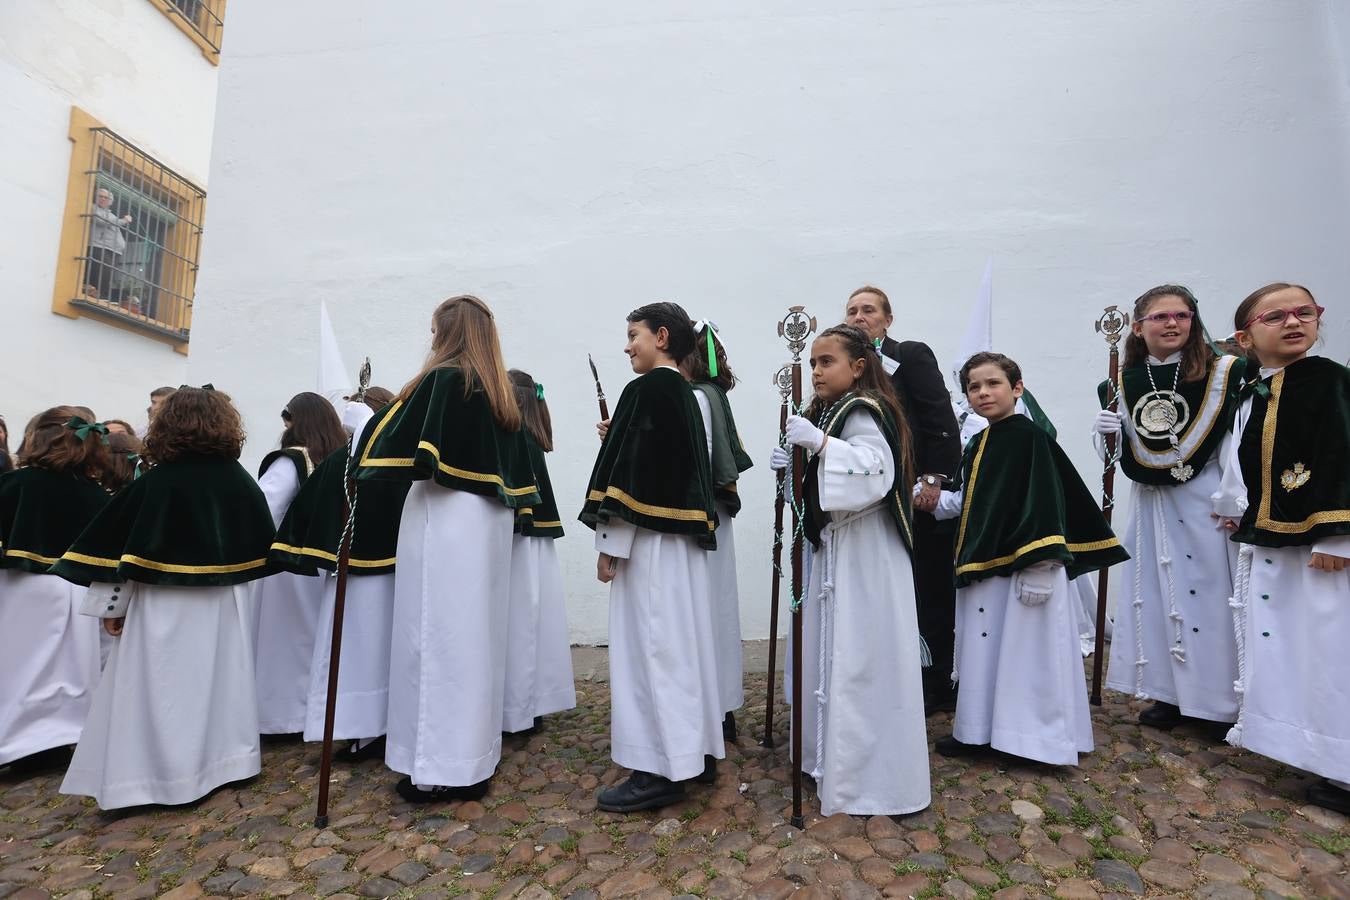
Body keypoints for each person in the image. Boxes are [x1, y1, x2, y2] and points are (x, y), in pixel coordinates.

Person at [53, 387, 276, 809]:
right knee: (219, 683)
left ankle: (153, 778)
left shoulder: (157, 483)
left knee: (162, 689)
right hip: (225, 608)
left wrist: (112, 606)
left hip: (161, 608)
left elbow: (114, 553)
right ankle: (226, 763)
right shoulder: (239, 482)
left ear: (166, 426)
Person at [355, 295, 539, 802]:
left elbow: (388, 446)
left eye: (435, 330)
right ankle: (471, 757)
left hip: (445, 516)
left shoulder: (443, 380)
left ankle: (440, 768)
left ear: (447, 332)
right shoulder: (502, 395)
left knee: (433, 639)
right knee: (475, 639)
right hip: (488, 523)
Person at [768, 323, 931, 815]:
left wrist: (820, 446)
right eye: (813, 362)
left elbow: (875, 471)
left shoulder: (866, 410)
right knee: (834, 652)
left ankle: (870, 775)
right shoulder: (830, 411)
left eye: (826, 362)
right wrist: (793, 464)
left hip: (867, 551)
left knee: (862, 657)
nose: (816, 371)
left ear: (858, 367)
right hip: (840, 547)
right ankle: (828, 758)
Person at [934, 352, 1128, 764]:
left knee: (1027, 654)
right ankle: (979, 732)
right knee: (984, 652)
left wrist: (1042, 566)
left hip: (1024, 568)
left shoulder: (1028, 437)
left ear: (1017, 388)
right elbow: (973, 501)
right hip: (986, 566)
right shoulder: (983, 441)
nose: (983, 393)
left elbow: (1043, 500)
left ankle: (1031, 740)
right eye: (974, 387)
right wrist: (933, 502)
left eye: (993, 384)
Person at [1214, 283, 1350, 815]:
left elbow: (1341, 453)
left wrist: (1338, 532)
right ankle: (1311, 747)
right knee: (1297, 647)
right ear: (1246, 337)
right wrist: (1234, 505)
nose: (1294, 323)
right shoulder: (1262, 389)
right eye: (1276, 316)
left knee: (1330, 648)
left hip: (1320, 540)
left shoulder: (1329, 382)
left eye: (1304, 313)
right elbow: (1243, 454)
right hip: (1278, 536)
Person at [583, 301, 722, 812]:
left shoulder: (646, 389)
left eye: (633, 334)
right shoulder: (686, 394)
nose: (627, 345)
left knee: (653, 650)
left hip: (647, 545)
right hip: (678, 545)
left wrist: (609, 545)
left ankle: (660, 767)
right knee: (683, 647)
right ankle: (696, 750)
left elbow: (633, 472)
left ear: (662, 336)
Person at [1094, 285, 1246, 730]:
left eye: (1181, 315)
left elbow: (1237, 438)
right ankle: (1168, 694)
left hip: (1206, 500)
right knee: (1154, 595)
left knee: (1210, 597)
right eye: (1160, 317)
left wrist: (1231, 496)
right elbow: (1120, 456)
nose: (1172, 324)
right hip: (1153, 503)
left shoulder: (1224, 373)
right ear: (1138, 327)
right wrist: (1105, 430)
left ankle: (1217, 704)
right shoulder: (1121, 381)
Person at [270, 400, 408, 762]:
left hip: (361, 575)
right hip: (393, 572)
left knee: (359, 654)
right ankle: (375, 728)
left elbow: (307, 511)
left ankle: (363, 730)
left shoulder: (348, 459)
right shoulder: (394, 455)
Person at [845, 285, 962, 713]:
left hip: (914, 497)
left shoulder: (909, 356)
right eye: (853, 310)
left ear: (887, 319)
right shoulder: (845, 367)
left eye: (869, 310)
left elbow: (940, 421)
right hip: (869, 500)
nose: (860, 317)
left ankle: (934, 682)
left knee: (927, 588)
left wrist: (932, 479)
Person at [0, 409, 110, 771]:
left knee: (19, 667)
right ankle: (54, 738)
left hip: (19, 588)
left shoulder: (17, 484)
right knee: (68, 671)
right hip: (75, 593)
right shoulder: (95, 495)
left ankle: (17, 739)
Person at [252, 392, 347, 735]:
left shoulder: (290, 460)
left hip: (286, 567)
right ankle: (314, 711)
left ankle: (281, 716)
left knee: (283, 639)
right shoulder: (338, 460)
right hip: (322, 562)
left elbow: (264, 509)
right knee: (316, 636)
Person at [683, 321, 754, 741]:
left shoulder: (695, 397)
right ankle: (722, 705)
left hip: (697, 516)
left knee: (702, 610)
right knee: (719, 607)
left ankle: (709, 707)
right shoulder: (713, 395)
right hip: (714, 515)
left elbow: (692, 456)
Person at [502, 370, 576, 734]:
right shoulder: (530, 436)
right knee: (531, 623)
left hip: (522, 541)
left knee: (519, 625)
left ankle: (519, 706)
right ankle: (529, 702)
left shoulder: (517, 438)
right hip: (532, 542)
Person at [85, 188, 133, 301]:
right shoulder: (93, 208)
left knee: (107, 273)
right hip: (99, 245)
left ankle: (99, 294)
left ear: (110, 201)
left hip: (114, 250)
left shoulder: (110, 213)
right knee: (103, 272)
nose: (102, 198)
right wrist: (123, 221)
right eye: (100, 196)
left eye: (105, 197)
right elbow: (102, 221)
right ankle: (101, 296)